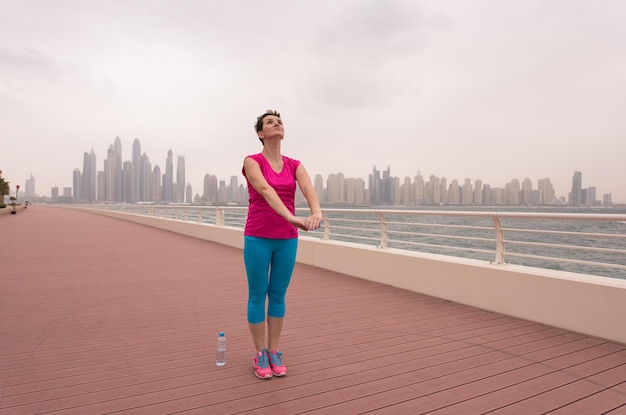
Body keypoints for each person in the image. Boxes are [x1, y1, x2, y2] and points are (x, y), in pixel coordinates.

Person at [242, 109, 322, 379]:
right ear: (261, 134)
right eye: (269, 123)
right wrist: (291, 217)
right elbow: (265, 190)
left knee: (277, 295)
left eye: (279, 121)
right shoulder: (252, 161)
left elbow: (308, 187)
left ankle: (274, 351)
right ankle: (259, 353)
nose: (276, 124)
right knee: (257, 294)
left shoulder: (294, 164)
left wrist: (316, 213)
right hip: (258, 236)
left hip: (287, 239)